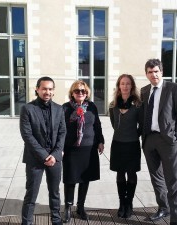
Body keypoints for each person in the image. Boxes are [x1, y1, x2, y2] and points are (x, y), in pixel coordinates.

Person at [140, 59, 177, 225]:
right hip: (149, 139)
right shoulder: (144, 91)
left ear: (161, 72)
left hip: (168, 141)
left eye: (156, 71)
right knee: (156, 178)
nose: (154, 75)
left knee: (173, 181)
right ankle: (163, 208)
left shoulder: (174, 89)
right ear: (146, 74)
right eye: (150, 72)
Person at [20, 76, 66, 225]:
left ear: (53, 91)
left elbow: (62, 132)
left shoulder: (59, 109)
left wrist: (55, 154)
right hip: (35, 158)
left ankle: (56, 220)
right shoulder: (27, 109)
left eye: (50, 89)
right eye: (44, 88)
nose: (47, 92)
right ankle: (27, 222)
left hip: (54, 158)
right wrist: (44, 155)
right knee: (31, 194)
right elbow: (27, 135)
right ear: (37, 89)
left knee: (55, 193)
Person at [62, 80, 104, 223]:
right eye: (77, 91)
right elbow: (60, 130)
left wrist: (100, 141)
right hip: (71, 149)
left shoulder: (92, 107)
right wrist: (60, 148)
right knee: (70, 179)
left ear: (87, 93)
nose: (80, 93)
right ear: (72, 93)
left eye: (83, 91)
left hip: (89, 148)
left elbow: (97, 125)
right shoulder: (65, 108)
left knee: (85, 178)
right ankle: (68, 208)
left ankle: (80, 207)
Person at [109, 74, 142, 218]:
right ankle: (122, 203)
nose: (125, 86)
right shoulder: (113, 105)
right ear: (119, 86)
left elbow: (142, 125)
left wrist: (133, 135)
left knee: (132, 173)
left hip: (132, 145)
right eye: (122, 83)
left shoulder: (138, 105)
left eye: (128, 83)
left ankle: (129, 203)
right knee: (120, 173)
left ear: (132, 86)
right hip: (117, 144)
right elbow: (114, 124)